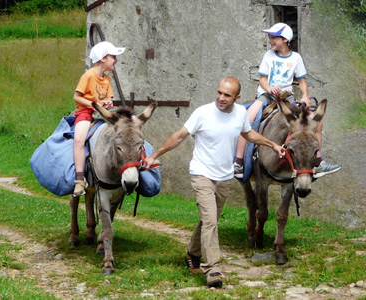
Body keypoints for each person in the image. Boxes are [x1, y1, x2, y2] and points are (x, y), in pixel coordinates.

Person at [144, 77, 286, 288]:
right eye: (219, 92)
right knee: (211, 222)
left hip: (224, 177)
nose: (221, 97)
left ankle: (192, 252)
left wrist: (272, 144)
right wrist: (154, 155)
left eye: (227, 95)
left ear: (236, 98)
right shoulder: (203, 113)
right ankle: (212, 269)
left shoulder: (240, 113)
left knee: (207, 220)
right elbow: (180, 136)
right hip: (201, 174)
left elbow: (248, 133)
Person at [235, 23, 340, 179]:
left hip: (287, 97)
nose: (270, 40)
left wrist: (305, 95)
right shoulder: (268, 55)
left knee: (315, 121)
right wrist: (270, 88)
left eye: (273, 38)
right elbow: (262, 80)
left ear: (284, 39)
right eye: (269, 37)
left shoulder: (296, 58)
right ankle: (239, 162)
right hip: (266, 95)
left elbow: (302, 81)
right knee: (247, 119)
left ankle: (319, 162)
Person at [71, 41, 123, 196]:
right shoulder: (88, 76)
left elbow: (108, 100)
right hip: (85, 113)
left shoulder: (107, 79)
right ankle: (80, 180)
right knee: (79, 139)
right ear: (102, 58)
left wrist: (107, 104)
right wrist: (94, 105)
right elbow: (76, 97)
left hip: (102, 114)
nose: (115, 60)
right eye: (113, 56)